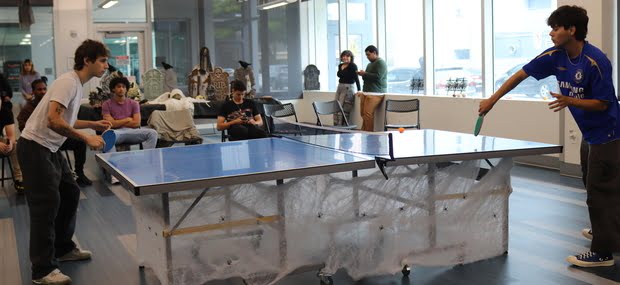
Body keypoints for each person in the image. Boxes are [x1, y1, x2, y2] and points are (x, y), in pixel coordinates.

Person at [479, 5, 620, 268]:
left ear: (572, 30)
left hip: (610, 134)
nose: (551, 33)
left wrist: (569, 100)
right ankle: (608, 233)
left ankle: (603, 252)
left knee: (600, 192)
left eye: (556, 28)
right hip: (590, 134)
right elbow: (521, 74)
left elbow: (602, 103)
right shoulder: (556, 55)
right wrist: (493, 99)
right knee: (592, 184)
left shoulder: (596, 61)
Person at [17, 39, 112, 285]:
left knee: (69, 193)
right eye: (102, 60)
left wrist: (93, 125)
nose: (106, 65)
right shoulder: (67, 82)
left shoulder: (77, 84)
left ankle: (63, 248)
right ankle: (42, 270)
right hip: (35, 147)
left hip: (50, 147)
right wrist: (86, 139)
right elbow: (53, 121)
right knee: (45, 206)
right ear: (87, 61)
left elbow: (65, 120)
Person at [17, 79, 93, 187]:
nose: (43, 91)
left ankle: (80, 173)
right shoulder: (27, 109)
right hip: (41, 143)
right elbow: (23, 128)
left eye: (44, 89)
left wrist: (91, 125)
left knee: (79, 142)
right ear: (33, 92)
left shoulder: (53, 104)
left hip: (58, 137)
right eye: (39, 89)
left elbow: (66, 121)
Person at [101, 76, 158, 162]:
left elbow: (136, 123)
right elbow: (110, 124)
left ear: (126, 89)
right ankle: (113, 168)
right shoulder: (106, 104)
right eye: (118, 86)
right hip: (116, 133)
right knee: (107, 136)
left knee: (152, 133)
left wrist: (116, 122)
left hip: (133, 132)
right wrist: (127, 119)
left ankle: (149, 161)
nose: (121, 89)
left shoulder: (134, 103)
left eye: (123, 87)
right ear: (113, 89)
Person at [356, 45, 387, 131]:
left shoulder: (380, 63)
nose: (367, 57)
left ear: (374, 53)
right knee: (363, 114)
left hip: (376, 93)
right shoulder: (369, 64)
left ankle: (369, 134)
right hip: (366, 92)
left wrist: (364, 74)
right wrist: (362, 74)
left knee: (368, 114)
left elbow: (378, 77)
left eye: (368, 54)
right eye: (366, 55)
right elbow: (366, 78)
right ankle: (364, 131)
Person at [0, 84, 24, 193]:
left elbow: (11, 135)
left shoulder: (5, 111)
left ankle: (19, 179)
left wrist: (10, 143)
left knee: (15, 146)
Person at [334, 50, 360, 126]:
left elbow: (356, 78)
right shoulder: (340, 65)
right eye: (344, 56)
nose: (345, 57)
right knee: (336, 106)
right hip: (340, 87)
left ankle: (344, 127)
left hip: (348, 87)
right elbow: (340, 75)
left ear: (351, 57)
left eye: (348, 56)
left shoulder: (353, 66)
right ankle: (336, 126)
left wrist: (359, 90)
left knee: (344, 109)